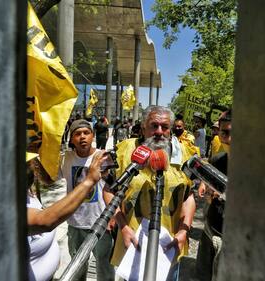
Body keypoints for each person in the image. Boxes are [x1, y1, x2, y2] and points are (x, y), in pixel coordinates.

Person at [104, 105, 197, 280]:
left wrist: (184, 231)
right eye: (154, 126)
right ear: (143, 127)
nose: (159, 132)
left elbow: (189, 195)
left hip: (168, 246)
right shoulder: (123, 151)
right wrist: (122, 226)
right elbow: (108, 190)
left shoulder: (185, 153)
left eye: (165, 127)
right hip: (131, 244)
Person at [26, 150, 108, 281]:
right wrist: (89, 181)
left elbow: (47, 181)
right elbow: (45, 221)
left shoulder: (26, 191)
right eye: (26, 164)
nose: (32, 166)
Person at [61, 119, 115, 281]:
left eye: (86, 133)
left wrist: (113, 215)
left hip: (101, 224)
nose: (82, 137)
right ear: (71, 139)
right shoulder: (65, 159)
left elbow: (112, 188)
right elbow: (48, 179)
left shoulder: (103, 157)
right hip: (75, 224)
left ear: (93, 136)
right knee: (77, 268)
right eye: (77, 134)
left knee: (105, 267)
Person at [195, 109, 232, 281]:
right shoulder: (217, 161)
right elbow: (209, 195)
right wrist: (209, 192)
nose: (230, 139)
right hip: (210, 232)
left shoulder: (258, 168)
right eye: (225, 133)